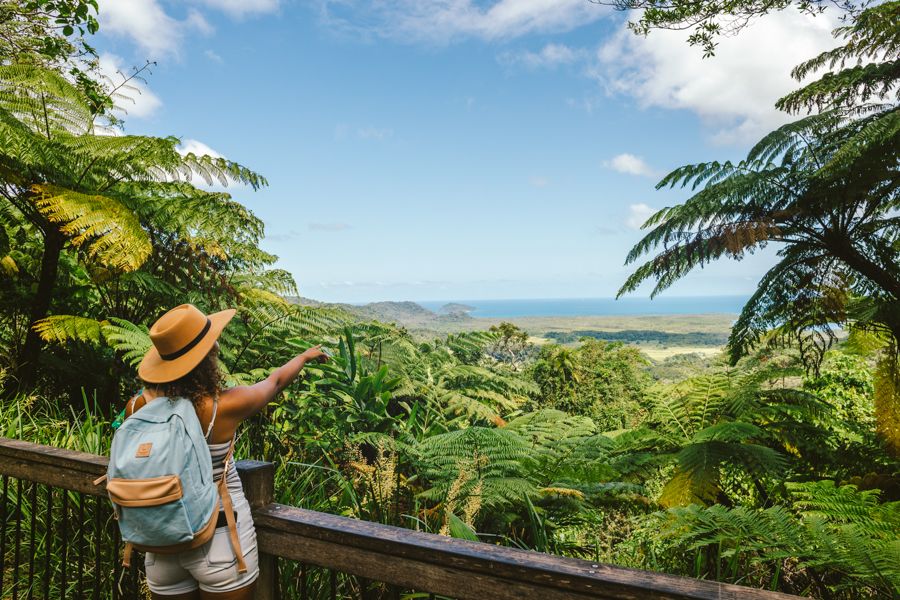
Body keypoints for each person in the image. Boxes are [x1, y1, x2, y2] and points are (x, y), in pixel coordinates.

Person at [125, 303, 328, 600]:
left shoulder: (138, 406)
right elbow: (275, 381)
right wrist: (304, 356)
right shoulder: (223, 407)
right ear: (207, 361)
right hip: (219, 540)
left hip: (160, 542)